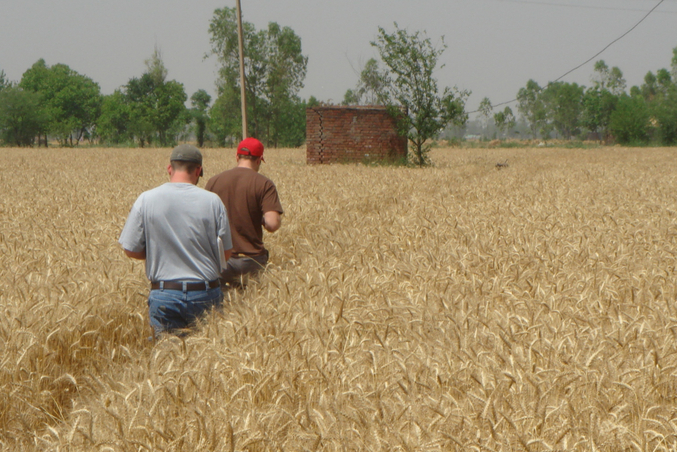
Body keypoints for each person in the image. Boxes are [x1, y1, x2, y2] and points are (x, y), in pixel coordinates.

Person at [119, 144, 233, 336]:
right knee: (206, 358)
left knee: (166, 356)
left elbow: (130, 249)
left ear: (170, 168)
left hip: (164, 293)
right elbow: (226, 253)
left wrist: (158, 252)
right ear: (198, 170)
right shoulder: (213, 201)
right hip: (204, 291)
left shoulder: (146, 199)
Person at [205, 137, 283, 287]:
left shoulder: (213, 181)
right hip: (252, 260)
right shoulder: (264, 184)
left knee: (221, 306)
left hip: (221, 260)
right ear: (259, 160)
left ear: (237, 156)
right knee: (255, 305)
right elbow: (272, 224)